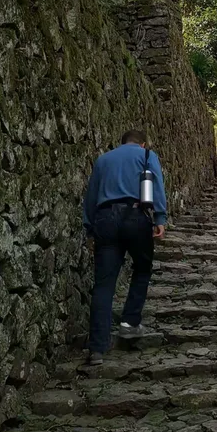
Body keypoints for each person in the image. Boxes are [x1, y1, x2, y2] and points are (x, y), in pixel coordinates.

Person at [83, 130, 167, 366]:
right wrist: (160, 218)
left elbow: (91, 195)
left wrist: (90, 227)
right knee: (142, 267)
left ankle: (97, 349)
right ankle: (129, 323)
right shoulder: (147, 155)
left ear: (121, 144)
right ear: (142, 143)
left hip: (105, 219)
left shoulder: (103, 159)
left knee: (104, 283)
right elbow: (156, 184)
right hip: (135, 216)